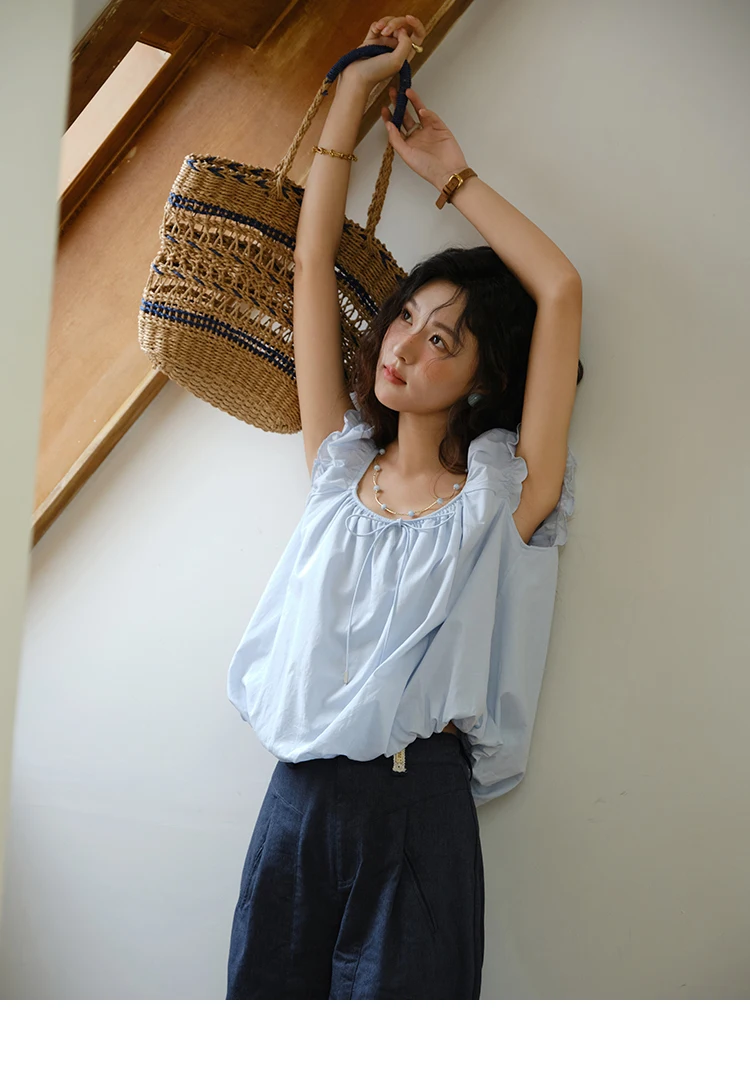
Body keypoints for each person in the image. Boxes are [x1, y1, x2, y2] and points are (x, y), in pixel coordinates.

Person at [224, 14, 583, 999]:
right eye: (407, 321)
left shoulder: (502, 501)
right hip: (295, 803)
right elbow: (310, 267)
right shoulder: (337, 467)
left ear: (482, 380)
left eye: (442, 342)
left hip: (416, 813)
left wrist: (451, 175)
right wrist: (351, 95)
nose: (405, 347)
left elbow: (559, 289)